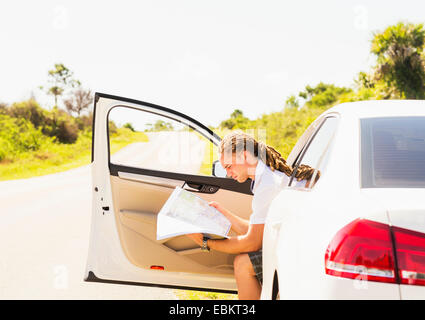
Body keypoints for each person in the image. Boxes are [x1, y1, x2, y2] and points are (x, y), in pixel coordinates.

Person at [186, 131, 318, 300]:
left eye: (229, 166)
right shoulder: (264, 179)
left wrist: (206, 243)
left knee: (243, 263)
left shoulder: (268, 184)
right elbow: (259, 232)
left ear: (245, 155)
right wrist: (224, 214)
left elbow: (252, 243)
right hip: (296, 242)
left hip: (303, 251)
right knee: (244, 261)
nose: (228, 173)